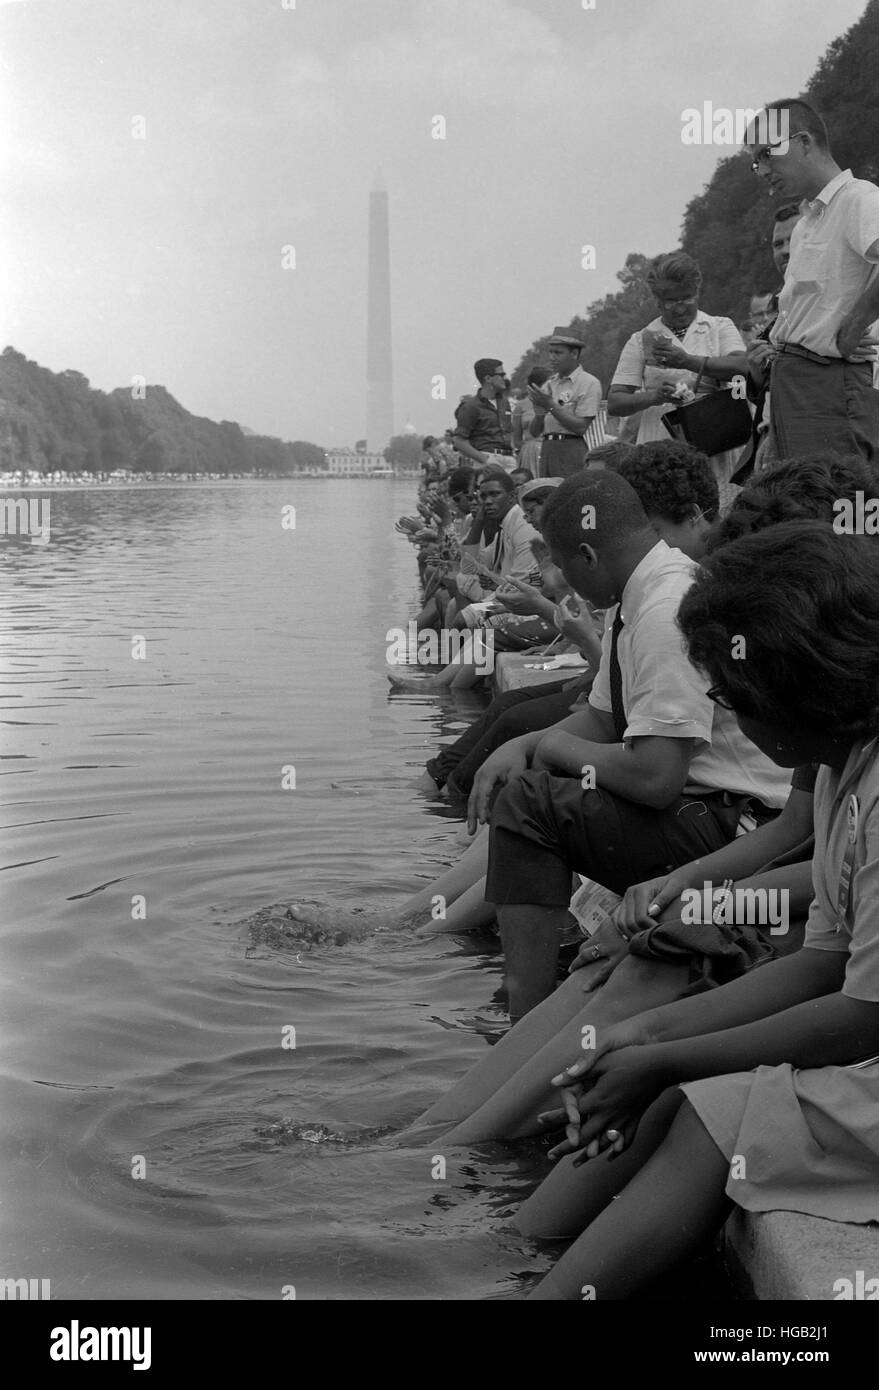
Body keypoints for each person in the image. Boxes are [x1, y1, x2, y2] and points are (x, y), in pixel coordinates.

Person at [413, 451, 876, 1142]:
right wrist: (685, 887)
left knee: (644, 958)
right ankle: (447, 1127)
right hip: (776, 874)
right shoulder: (831, 729)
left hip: (752, 850)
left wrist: (707, 904)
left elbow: (673, 785)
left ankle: (469, 1135)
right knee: (619, 949)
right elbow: (800, 836)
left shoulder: (814, 698)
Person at [517, 522, 879, 1300]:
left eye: (730, 696)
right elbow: (823, 959)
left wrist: (666, 1056)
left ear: (792, 690)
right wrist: (645, 1038)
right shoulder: (847, 767)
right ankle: (508, 1248)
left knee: (702, 1110)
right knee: (659, 1070)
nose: (725, 712)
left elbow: (860, 1014)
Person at [471, 470, 792, 1021]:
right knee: (524, 766)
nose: (563, 583)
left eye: (564, 566)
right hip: (701, 806)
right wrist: (522, 744)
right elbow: (600, 717)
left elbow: (655, 777)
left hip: (742, 823)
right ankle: (527, 983)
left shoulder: (667, 611)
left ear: (589, 555)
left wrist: (548, 749)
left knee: (531, 804)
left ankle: (523, 1008)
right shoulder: (633, 596)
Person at [744, 98, 879, 464]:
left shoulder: (858, 199)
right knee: (802, 507)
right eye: (756, 161)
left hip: (829, 383)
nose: (763, 168)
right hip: (794, 384)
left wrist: (854, 325)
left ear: (804, 141)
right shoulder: (805, 223)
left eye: (768, 154)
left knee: (835, 505)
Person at [607, 252, 749, 498]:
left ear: (697, 291)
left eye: (687, 298)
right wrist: (654, 396)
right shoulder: (641, 340)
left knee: (715, 500)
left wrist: (688, 361)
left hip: (714, 433)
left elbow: (742, 367)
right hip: (660, 436)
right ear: (657, 300)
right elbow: (616, 401)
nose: (681, 307)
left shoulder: (719, 327)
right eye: (671, 301)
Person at [736, 203, 802, 481]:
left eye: (794, 239)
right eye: (778, 244)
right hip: (773, 441)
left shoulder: (840, 300)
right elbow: (766, 390)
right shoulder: (782, 310)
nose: (785, 250)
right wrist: (755, 369)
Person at [527, 329, 602, 480]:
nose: (552, 358)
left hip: (571, 448)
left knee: (570, 495)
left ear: (574, 354)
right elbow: (534, 432)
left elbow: (581, 426)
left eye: (558, 353)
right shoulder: (550, 384)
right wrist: (539, 412)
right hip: (547, 448)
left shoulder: (588, 383)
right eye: (551, 352)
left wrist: (550, 404)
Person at [452, 360, 515, 472]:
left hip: (509, 458)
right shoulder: (471, 407)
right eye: (501, 375)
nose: (504, 378)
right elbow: (459, 441)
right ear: (488, 379)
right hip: (487, 459)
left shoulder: (504, 403)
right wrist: (484, 459)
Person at [512, 366, 550, 475]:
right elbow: (517, 439)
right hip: (530, 451)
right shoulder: (521, 406)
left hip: (551, 448)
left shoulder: (554, 403)